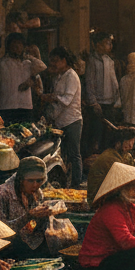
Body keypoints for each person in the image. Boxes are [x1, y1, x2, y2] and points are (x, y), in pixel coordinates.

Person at [0, 155, 54, 259]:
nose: (35, 185)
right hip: (9, 247)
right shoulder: (2, 194)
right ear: (20, 179)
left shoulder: (37, 193)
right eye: (30, 181)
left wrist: (44, 215)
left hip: (30, 241)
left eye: (39, 181)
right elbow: (0, 231)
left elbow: (33, 226)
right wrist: (29, 216)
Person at [41, 47, 83, 188]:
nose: (53, 64)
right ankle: (65, 183)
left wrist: (52, 97)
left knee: (74, 155)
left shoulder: (71, 76)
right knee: (63, 154)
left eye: (56, 61)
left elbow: (66, 100)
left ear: (64, 60)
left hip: (72, 121)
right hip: (59, 121)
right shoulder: (59, 76)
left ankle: (77, 185)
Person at [82, 32, 121, 155]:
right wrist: (93, 102)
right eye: (106, 43)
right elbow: (89, 82)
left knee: (108, 132)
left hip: (110, 102)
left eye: (110, 44)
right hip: (97, 104)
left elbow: (114, 81)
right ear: (98, 45)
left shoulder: (110, 61)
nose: (109, 46)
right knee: (96, 132)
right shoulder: (92, 61)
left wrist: (117, 98)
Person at [0, 33, 35, 124]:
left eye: (19, 43)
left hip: (26, 106)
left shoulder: (29, 64)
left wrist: (31, 81)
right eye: (14, 43)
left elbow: (38, 76)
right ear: (8, 46)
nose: (16, 46)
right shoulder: (1, 63)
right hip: (6, 106)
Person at [85, 125, 135, 204]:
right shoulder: (110, 157)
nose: (130, 145)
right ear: (118, 143)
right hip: (98, 199)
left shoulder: (125, 155)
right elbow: (125, 179)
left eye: (132, 141)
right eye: (127, 142)